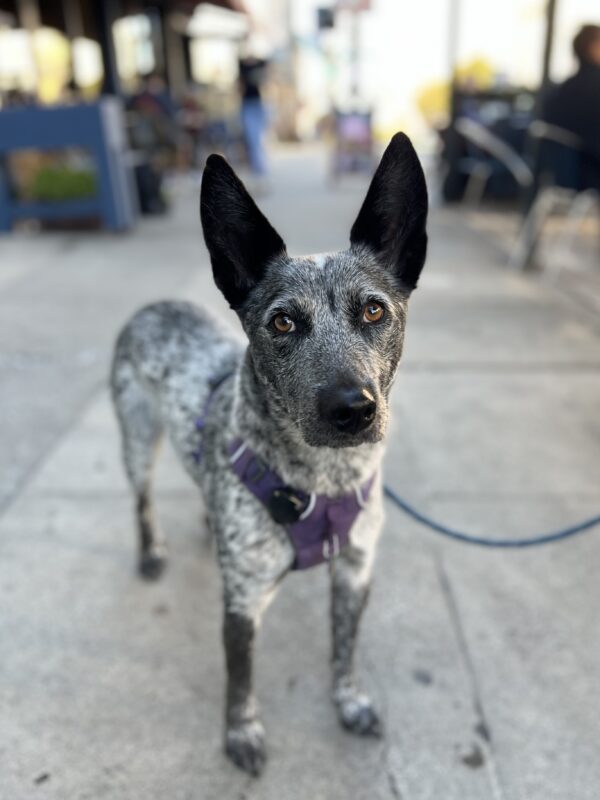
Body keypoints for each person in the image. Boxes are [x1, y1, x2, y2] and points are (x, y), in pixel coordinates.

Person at [542, 24, 600, 190]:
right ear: (592, 48)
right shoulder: (594, 86)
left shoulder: (563, 89)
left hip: (564, 175)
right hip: (589, 175)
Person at [239, 46, 270, 189]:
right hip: (247, 104)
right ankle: (257, 168)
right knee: (252, 138)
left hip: (257, 104)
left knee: (258, 138)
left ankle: (259, 169)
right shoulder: (241, 65)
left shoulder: (259, 64)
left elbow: (267, 63)